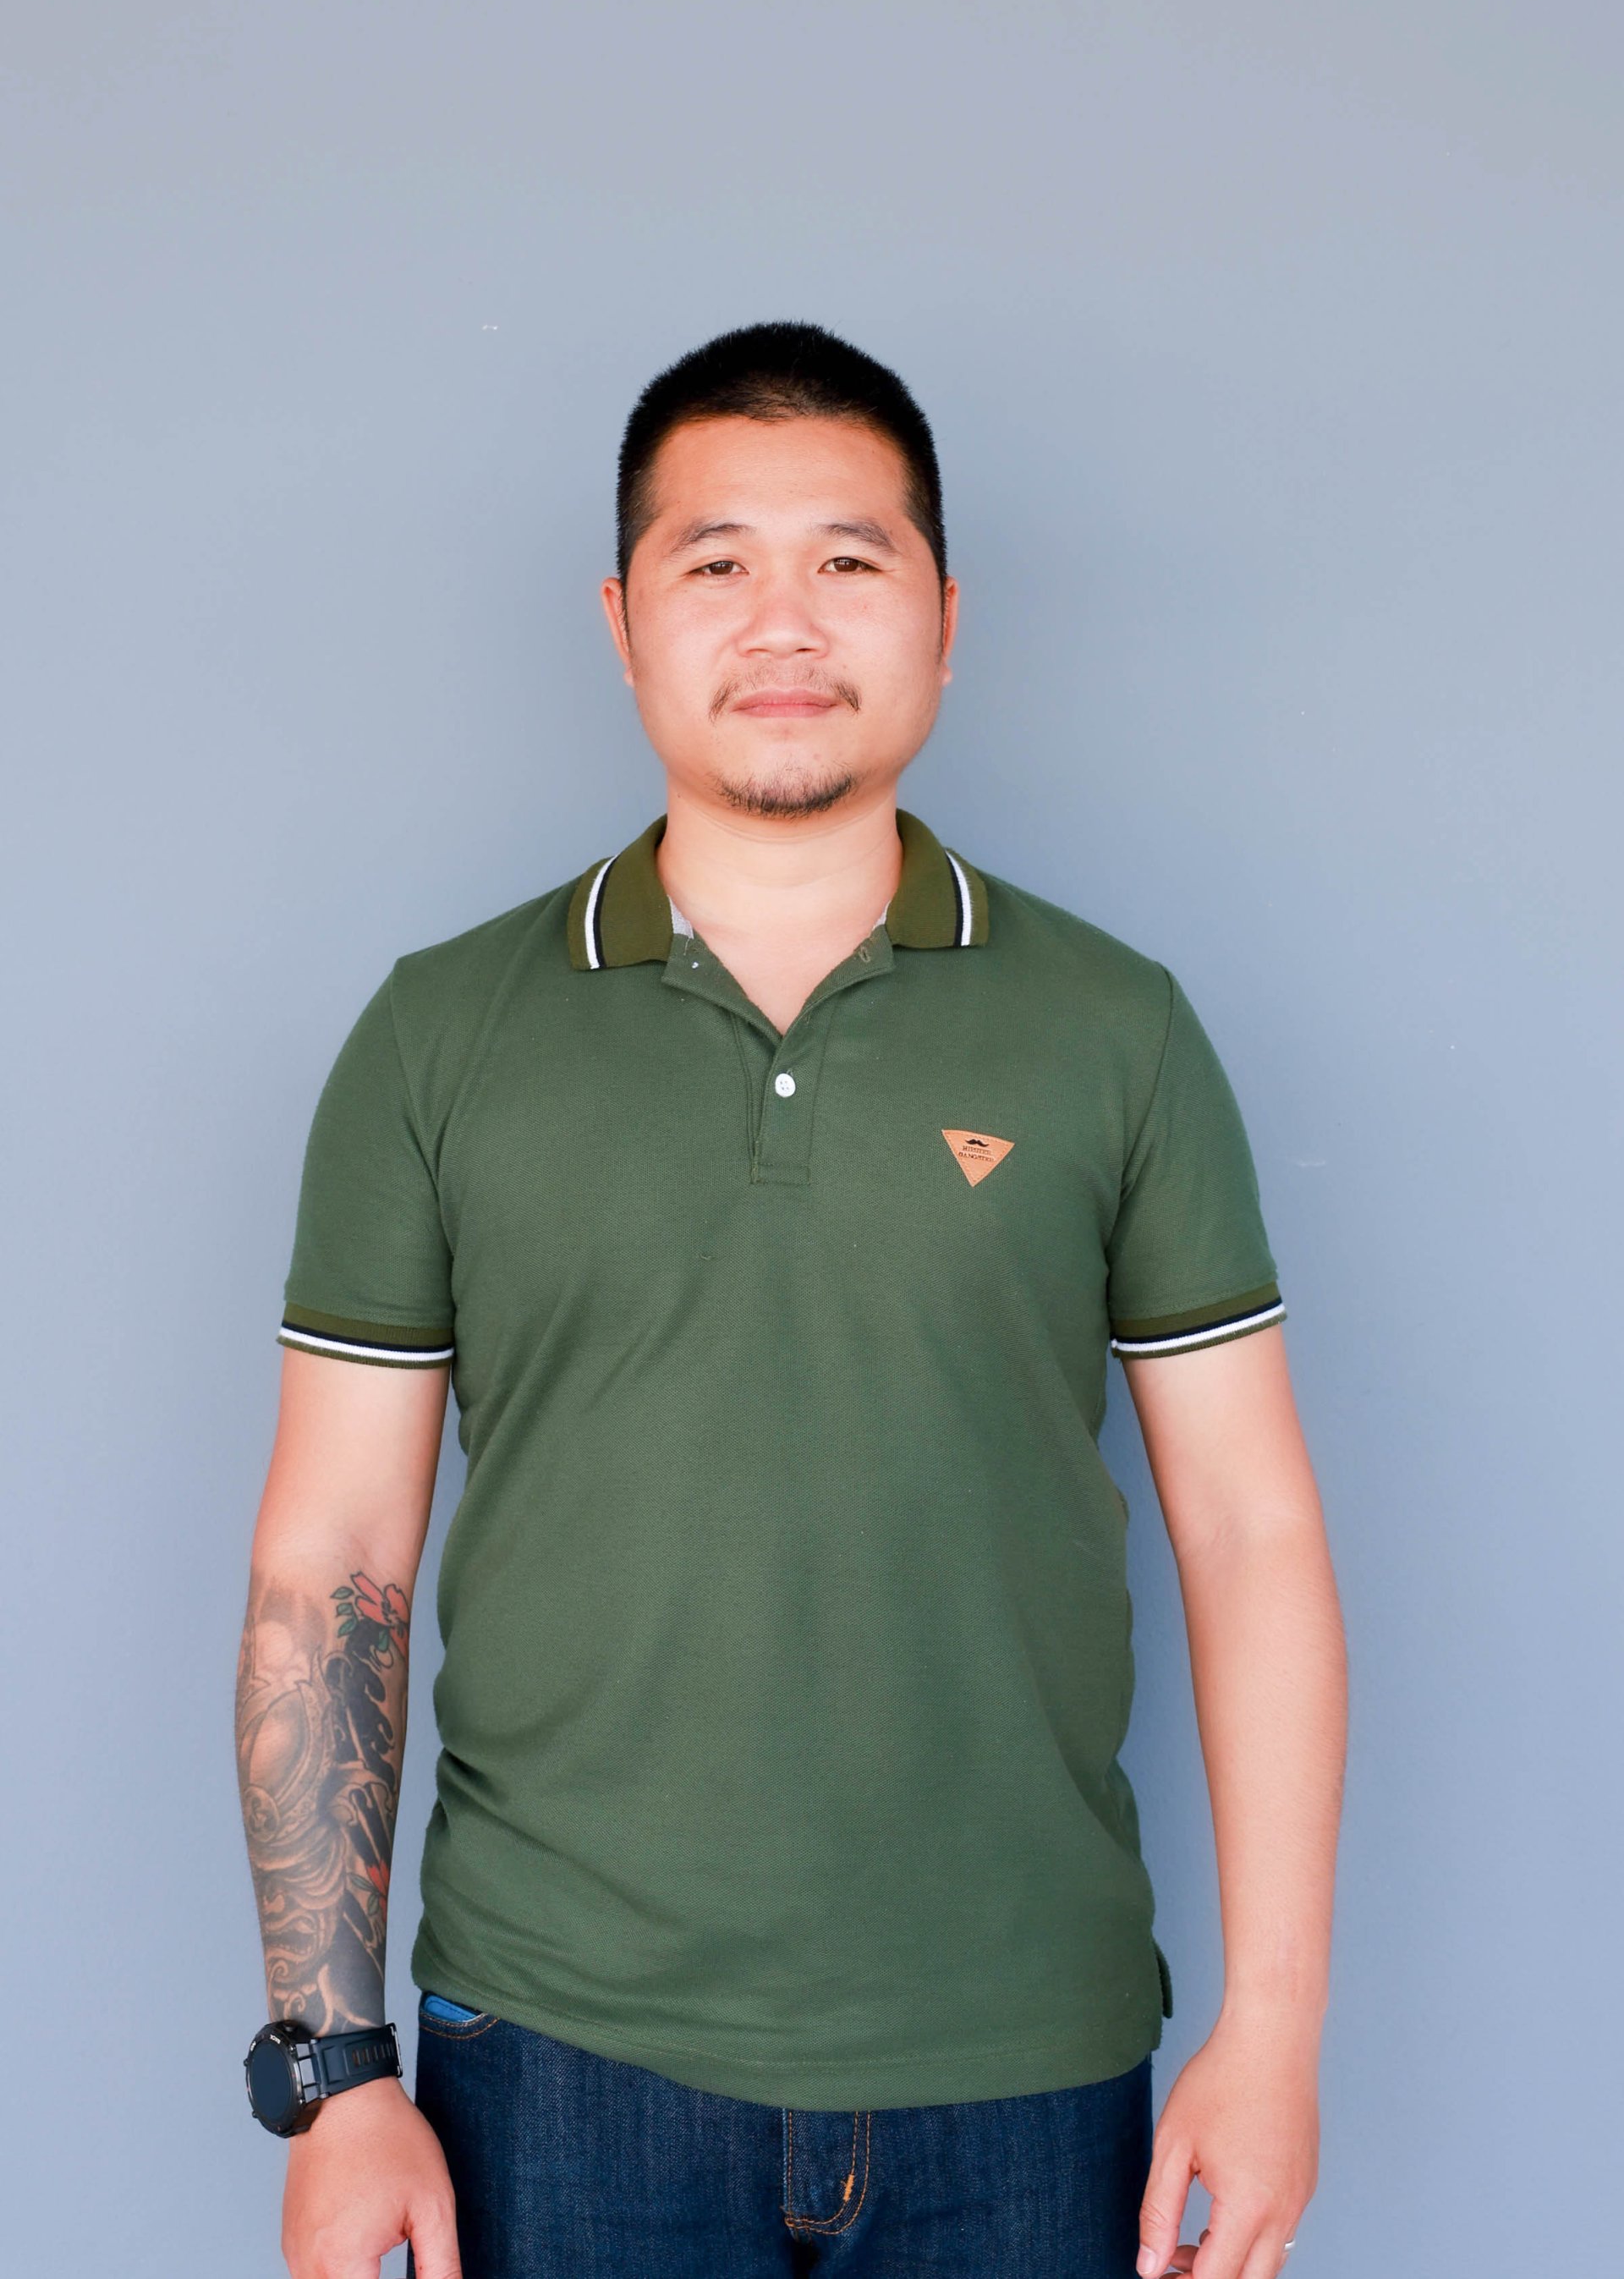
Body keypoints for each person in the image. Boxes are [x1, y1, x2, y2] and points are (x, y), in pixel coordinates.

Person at [235, 321, 1346, 2279]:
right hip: (556, 2056)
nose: (784, 620)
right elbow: (332, 1559)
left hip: (1028, 2054)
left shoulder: (1117, 1028)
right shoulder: (439, 1036)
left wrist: (1273, 2030)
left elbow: (1252, 1529)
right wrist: (338, 2073)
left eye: (848, 558)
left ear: (945, 615)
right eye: (716, 559)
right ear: (621, 618)